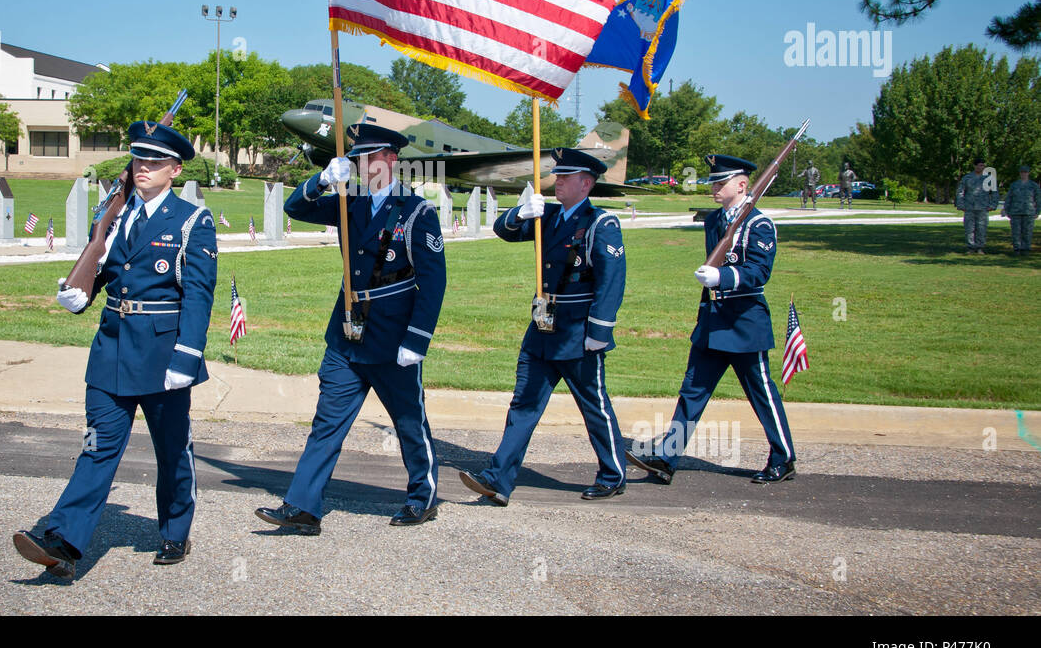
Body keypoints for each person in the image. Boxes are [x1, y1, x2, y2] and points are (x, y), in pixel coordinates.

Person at [13, 118, 216, 579]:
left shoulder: (191, 221)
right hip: (111, 347)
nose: (144, 167)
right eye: (139, 158)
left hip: (163, 354)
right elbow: (103, 272)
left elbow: (199, 294)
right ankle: (63, 541)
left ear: (175, 171)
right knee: (97, 446)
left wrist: (189, 353)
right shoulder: (114, 215)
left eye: (155, 161)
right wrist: (79, 291)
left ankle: (175, 529)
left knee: (171, 450)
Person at [255, 123, 447, 534]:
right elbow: (296, 208)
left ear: (392, 159)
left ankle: (422, 495)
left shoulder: (415, 211)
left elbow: (433, 282)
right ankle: (304, 505)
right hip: (347, 333)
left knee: (409, 420)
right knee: (327, 421)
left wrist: (418, 338)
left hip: (393, 337)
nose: (363, 164)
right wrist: (322, 180)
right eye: (358, 157)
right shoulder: (349, 203)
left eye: (371, 156)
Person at [459, 148, 629, 506]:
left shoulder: (601, 223)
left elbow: (611, 282)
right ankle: (498, 480)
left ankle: (612, 474)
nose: (558, 181)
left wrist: (599, 332)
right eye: (558, 175)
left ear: (586, 183)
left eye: (565, 177)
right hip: (542, 327)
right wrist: (520, 212)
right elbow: (503, 231)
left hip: (577, 332)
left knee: (593, 405)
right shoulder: (548, 217)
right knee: (524, 404)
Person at [630, 154, 795, 484]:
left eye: (720, 183)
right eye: (713, 183)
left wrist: (723, 278)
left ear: (742, 185)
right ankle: (666, 458)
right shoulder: (715, 221)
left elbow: (759, 272)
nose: (714, 188)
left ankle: (783, 457)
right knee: (692, 391)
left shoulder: (758, 224)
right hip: (713, 320)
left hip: (744, 321)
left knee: (761, 393)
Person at [956, 159, 999, 254]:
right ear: (975, 166)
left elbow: (994, 193)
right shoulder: (967, 178)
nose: (981, 167)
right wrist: (961, 204)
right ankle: (971, 247)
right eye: (979, 165)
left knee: (981, 228)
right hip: (969, 207)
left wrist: (993, 205)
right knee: (969, 228)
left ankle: (980, 247)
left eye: (983, 166)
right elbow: (960, 192)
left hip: (983, 208)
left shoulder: (989, 179)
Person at [1002, 164, 1039, 255]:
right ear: (1020, 173)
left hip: (1029, 212)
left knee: (1027, 232)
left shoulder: (1033, 185)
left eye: (1025, 172)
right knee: (1016, 232)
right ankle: (1017, 249)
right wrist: (1006, 209)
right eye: (1022, 172)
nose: (1024, 174)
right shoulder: (1014, 185)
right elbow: (1009, 198)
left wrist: (1037, 211)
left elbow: (1038, 199)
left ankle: (1026, 249)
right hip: (1015, 211)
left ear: (1028, 173)